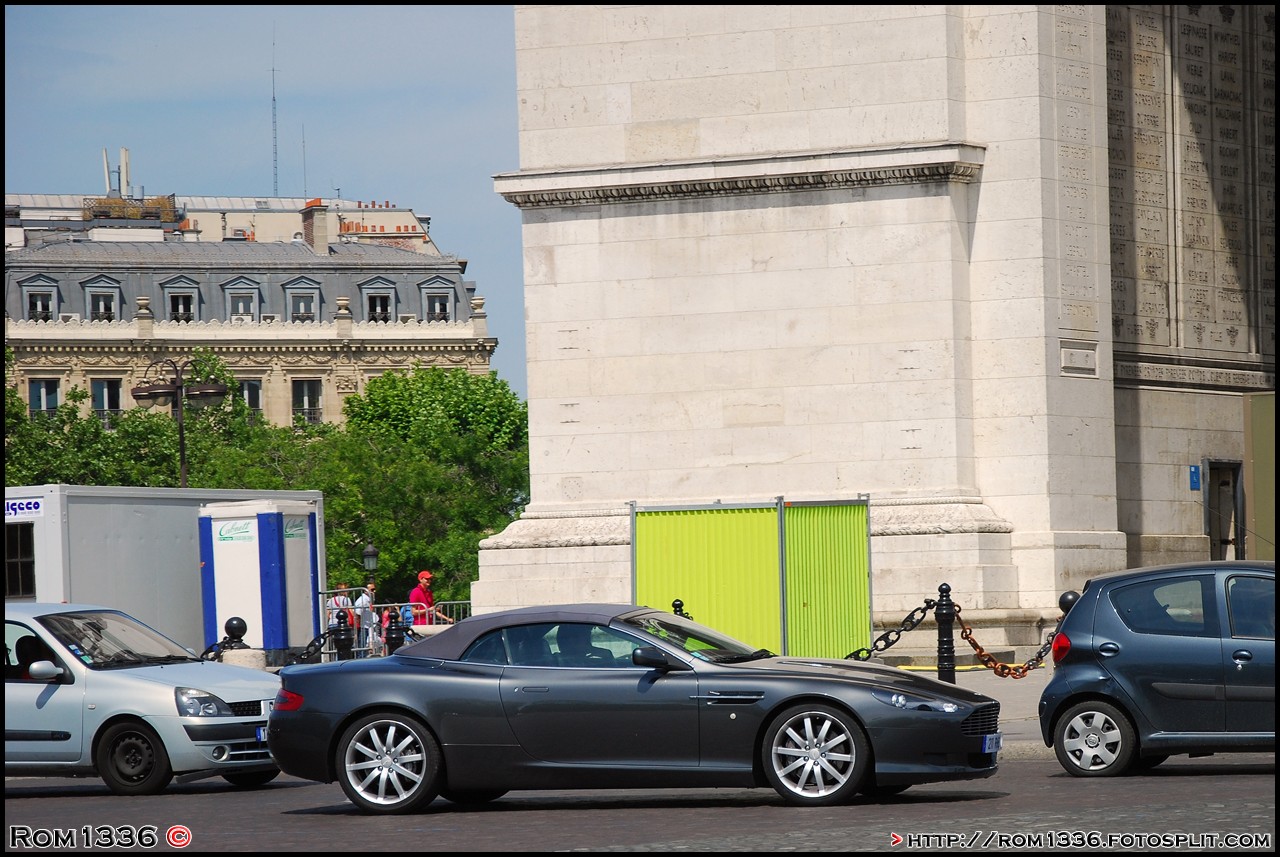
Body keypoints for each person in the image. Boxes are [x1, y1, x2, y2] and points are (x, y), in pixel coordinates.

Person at [353, 581, 377, 657]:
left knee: (364, 648)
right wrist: (356, 629)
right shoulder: (363, 600)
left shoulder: (368, 600)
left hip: (366, 626)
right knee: (362, 649)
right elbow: (357, 614)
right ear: (365, 591)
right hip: (362, 627)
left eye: (374, 589)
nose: (374, 591)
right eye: (372, 590)